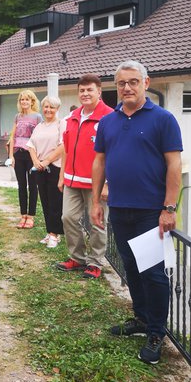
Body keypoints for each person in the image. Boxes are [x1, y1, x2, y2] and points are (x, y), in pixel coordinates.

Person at [91, 60, 182, 365]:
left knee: (153, 274)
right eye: (121, 83)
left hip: (150, 212)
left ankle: (156, 332)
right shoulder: (108, 121)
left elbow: (174, 165)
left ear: (146, 82)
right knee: (131, 267)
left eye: (133, 82)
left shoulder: (163, 119)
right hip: (119, 208)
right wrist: (95, 202)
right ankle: (142, 320)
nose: (127, 88)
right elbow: (100, 163)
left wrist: (169, 208)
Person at [56, 74, 113, 278]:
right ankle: (77, 258)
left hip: (96, 183)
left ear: (99, 91)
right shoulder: (71, 118)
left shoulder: (110, 117)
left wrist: (107, 183)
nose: (85, 93)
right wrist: (62, 176)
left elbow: (113, 154)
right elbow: (66, 150)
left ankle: (95, 262)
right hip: (72, 179)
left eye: (90, 90)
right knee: (68, 217)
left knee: (96, 221)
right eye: (82, 90)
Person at [26, 96, 65, 248]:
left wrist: (46, 161)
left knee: (55, 202)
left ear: (57, 109)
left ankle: (55, 234)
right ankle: (50, 232)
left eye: (52, 107)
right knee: (45, 202)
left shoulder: (61, 124)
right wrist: (36, 161)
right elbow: (31, 145)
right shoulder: (39, 126)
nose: (48, 110)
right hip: (40, 168)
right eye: (46, 107)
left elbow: (63, 147)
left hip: (54, 167)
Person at [8, 90, 42, 229]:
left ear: (32, 101)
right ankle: (23, 215)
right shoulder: (17, 116)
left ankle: (31, 216)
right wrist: (11, 156)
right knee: (21, 185)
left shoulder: (37, 117)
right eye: (22, 99)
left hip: (31, 154)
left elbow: (39, 137)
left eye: (27, 99)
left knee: (33, 186)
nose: (24, 102)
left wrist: (38, 157)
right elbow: (12, 136)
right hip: (18, 153)